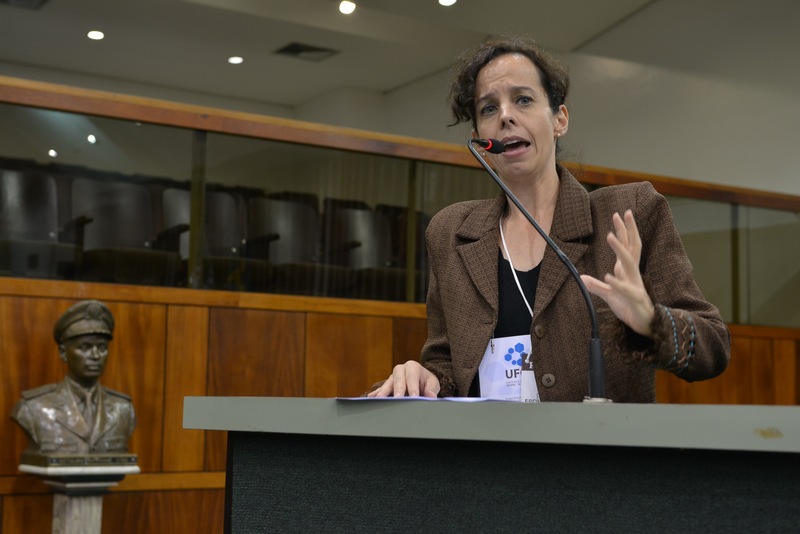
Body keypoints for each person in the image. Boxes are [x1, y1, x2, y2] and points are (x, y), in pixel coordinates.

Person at [368, 35, 730, 401]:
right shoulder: (451, 232)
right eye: (489, 109)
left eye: (523, 100)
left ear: (560, 119)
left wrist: (651, 321)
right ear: (479, 139)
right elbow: (445, 364)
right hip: (487, 440)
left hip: (598, 439)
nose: (505, 116)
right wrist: (424, 377)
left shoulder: (629, 212)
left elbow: (714, 347)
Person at [10, 299, 136, 454]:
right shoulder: (33, 408)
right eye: (85, 347)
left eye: (102, 347)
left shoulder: (123, 409)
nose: (95, 355)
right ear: (63, 353)